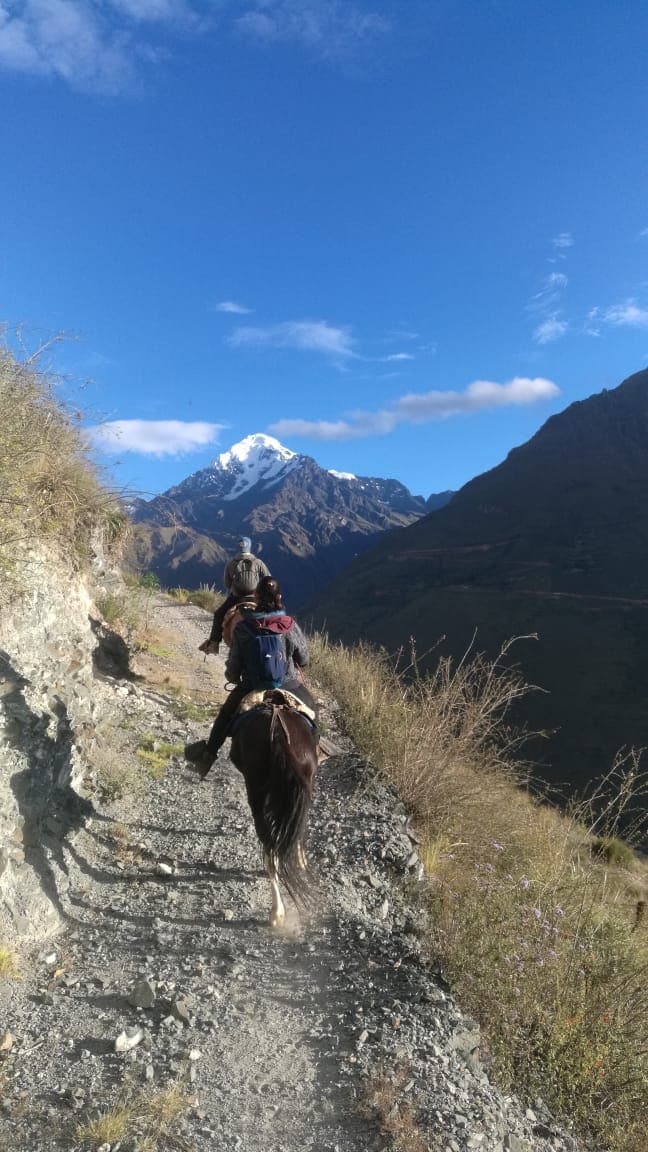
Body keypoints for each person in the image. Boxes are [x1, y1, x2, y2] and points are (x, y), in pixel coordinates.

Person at [185, 576, 318, 778]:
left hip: (253, 685)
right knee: (313, 710)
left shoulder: (244, 627)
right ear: (279, 597)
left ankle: (207, 756)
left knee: (225, 715)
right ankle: (315, 749)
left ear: (256, 597)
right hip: (288, 683)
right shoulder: (289, 625)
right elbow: (304, 658)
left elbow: (234, 666)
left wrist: (233, 677)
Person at [200, 537, 270, 655]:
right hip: (255, 597)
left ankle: (214, 644)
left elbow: (227, 584)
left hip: (237, 597)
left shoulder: (231, 563)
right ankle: (280, 643)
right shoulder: (258, 562)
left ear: (238, 548)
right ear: (250, 548)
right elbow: (268, 579)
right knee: (274, 614)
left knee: (218, 614)